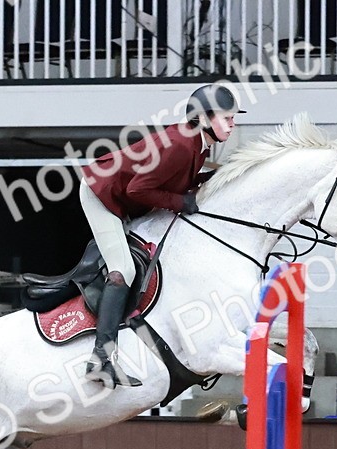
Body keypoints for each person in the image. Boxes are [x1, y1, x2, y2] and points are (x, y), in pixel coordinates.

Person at [78, 83, 244, 387]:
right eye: (227, 118)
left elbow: (174, 179)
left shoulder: (198, 143)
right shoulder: (181, 144)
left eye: (233, 118)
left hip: (121, 194)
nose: (232, 124)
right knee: (124, 271)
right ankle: (100, 360)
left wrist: (215, 179)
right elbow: (137, 190)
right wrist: (180, 202)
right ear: (203, 118)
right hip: (101, 194)